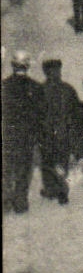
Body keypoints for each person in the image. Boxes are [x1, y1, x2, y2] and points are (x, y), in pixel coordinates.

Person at [2, 52, 42, 213]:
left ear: (13, 66)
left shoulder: (4, 85)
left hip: (7, 134)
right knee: (24, 169)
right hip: (27, 136)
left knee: (7, 168)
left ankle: (5, 200)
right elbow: (40, 115)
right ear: (28, 66)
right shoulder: (35, 87)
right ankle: (20, 201)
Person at [37, 58, 79, 205]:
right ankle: (61, 190)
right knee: (62, 162)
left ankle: (51, 189)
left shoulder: (39, 90)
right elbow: (77, 113)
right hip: (63, 133)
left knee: (47, 162)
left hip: (46, 134)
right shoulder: (68, 89)